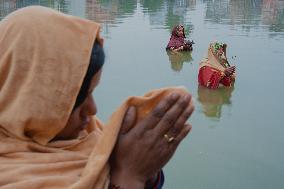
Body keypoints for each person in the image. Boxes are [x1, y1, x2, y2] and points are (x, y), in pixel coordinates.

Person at [0, 6, 195, 189]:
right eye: (76, 99)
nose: (93, 110)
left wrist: (146, 166)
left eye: (92, 93)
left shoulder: (89, 134)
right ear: (28, 97)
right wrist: (130, 175)